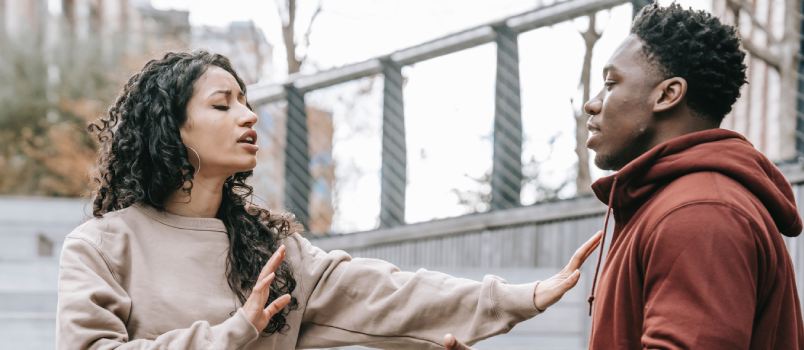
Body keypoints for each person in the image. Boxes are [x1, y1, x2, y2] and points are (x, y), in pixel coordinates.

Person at [55, 50, 602, 349]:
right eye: (223, 105)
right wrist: (235, 331)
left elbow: (385, 296)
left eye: (246, 102)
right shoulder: (103, 246)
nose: (249, 116)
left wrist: (517, 297)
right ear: (170, 131)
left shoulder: (271, 248)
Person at [580, 3, 804, 349]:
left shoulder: (700, 212)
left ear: (668, 94)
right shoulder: (675, 203)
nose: (592, 104)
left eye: (611, 84)